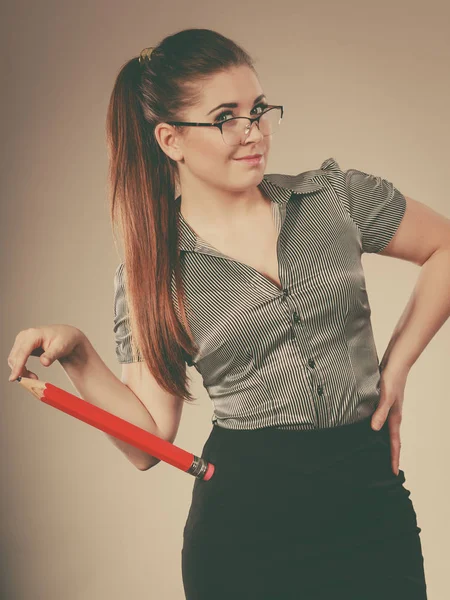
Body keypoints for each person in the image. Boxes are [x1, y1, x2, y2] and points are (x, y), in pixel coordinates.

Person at [10, 26, 450, 600]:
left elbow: (444, 246)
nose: (254, 132)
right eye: (226, 117)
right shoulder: (154, 272)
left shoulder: (334, 197)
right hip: (246, 530)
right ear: (171, 139)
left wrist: (397, 368)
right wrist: (79, 353)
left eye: (259, 110)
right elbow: (148, 444)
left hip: (370, 501)